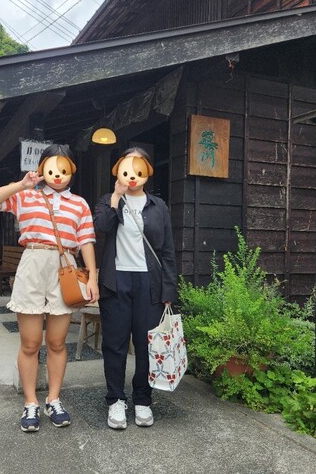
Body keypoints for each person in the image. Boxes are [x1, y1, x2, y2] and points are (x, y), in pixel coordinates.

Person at [0, 144, 99, 433]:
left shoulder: (80, 204)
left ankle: (54, 399)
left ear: (72, 170)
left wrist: (93, 278)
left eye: (64, 169)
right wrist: (21, 184)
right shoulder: (26, 195)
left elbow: (86, 241)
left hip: (65, 268)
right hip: (33, 262)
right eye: (52, 168)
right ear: (42, 168)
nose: (58, 175)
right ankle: (31, 401)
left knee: (57, 342)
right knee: (30, 343)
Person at [94, 147, 177, 429]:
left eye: (138, 169)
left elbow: (167, 250)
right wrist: (115, 197)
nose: (132, 175)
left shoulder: (158, 206)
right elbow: (102, 227)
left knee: (146, 344)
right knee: (115, 344)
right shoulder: (108, 200)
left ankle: (142, 399)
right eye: (126, 168)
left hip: (149, 283)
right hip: (116, 281)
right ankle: (116, 400)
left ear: (147, 172)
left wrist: (168, 290)